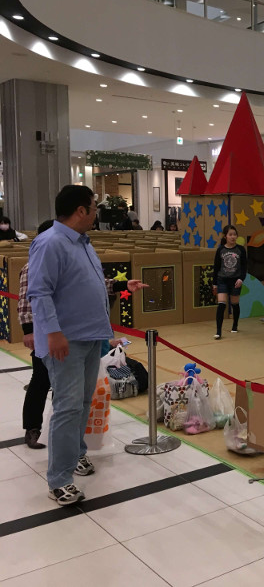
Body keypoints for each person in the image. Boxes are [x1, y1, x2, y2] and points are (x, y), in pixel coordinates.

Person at [27, 185, 146, 506]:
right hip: (66, 341)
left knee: (80, 403)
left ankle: (75, 454)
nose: (96, 213)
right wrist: (52, 333)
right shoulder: (50, 243)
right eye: (94, 208)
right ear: (80, 210)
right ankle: (59, 480)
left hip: (90, 337)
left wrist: (121, 284)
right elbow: (39, 292)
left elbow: (85, 283)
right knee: (67, 407)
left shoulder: (82, 243)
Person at [18, 220, 55, 449]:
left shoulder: (56, 263)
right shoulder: (33, 265)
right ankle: (32, 427)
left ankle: (55, 428)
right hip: (42, 333)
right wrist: (28, 331)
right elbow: (24, 301)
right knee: (40, 381)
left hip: (62, 331)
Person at [212, 225, 247, 339]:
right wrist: (215, 283)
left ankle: (235, 324)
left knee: (235, 303)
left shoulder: (241, 249)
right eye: (230, 234)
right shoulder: (220, 249)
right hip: (222, 280)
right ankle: (218, 331)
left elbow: (244, 267)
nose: (233, 237)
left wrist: (241, 279)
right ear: (225, 236)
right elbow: (216, 267)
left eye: (234, 234)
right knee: (221, 304)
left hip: (235, 280)